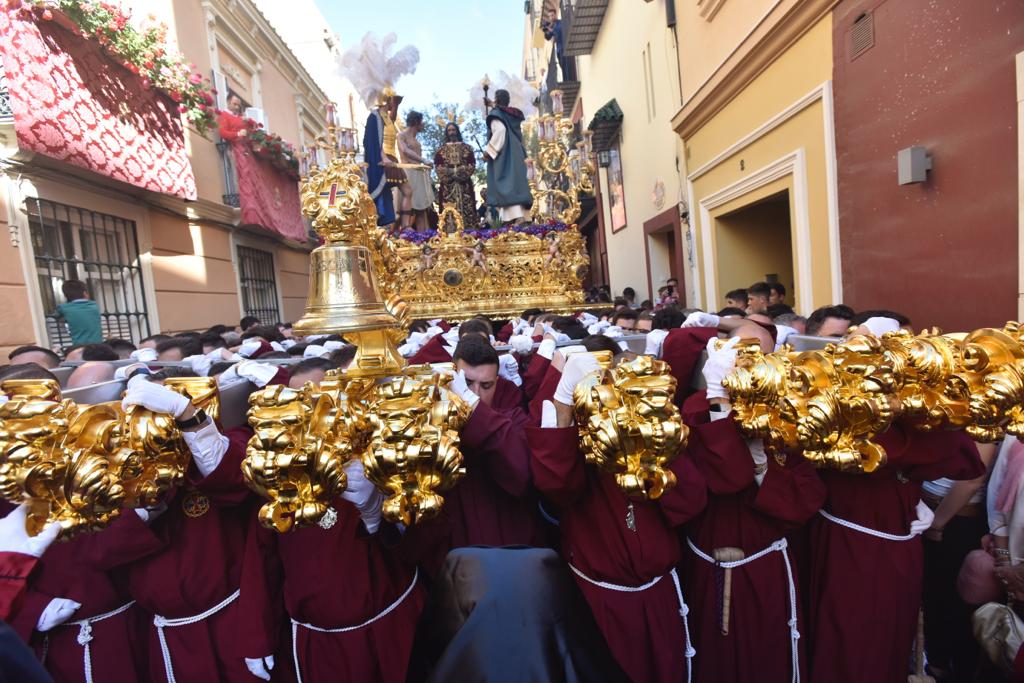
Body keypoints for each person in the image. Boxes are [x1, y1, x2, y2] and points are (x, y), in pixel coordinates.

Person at [527, 353, 708, 682]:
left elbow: (690, 503)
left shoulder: (657, 436)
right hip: (601, 599)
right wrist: (563, 402)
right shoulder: (580, 444)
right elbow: (556, 486)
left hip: (658, 593)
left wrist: (656, 444)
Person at [681, 324, 827, 683]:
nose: (742, 362)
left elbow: (807, 496)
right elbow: (717, 481)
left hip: (766, 560)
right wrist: (719, 407)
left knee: (770, 655)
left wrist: (762, 468)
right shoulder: (696, 407)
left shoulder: (792, 408)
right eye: (734, 352)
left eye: (753, 353)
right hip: (707, 555)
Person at [484, 89, 532, 225]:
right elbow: (503, 114)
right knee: (517, 182)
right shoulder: (511, 115)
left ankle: (517, 216)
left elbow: (500, 131)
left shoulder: (496, 114)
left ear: (497, 100)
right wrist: (493, 105)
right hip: (517, 151)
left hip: (505, 153)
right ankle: (522, 216)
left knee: (507, 183)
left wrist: (489, 151)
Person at [434, 121, 478, 230]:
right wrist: (452, 173)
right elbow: (438, 167)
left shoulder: (467, 148)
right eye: (449, 130)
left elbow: (471, 165)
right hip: (447, 187)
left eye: (453, 130)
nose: (451, 132)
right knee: (448, 210)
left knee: (467, 209)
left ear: (457, 131)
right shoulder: (441, 150)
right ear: (446, 132)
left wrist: (455, 173)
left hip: (464, 185)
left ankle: (469, 231)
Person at [398, 110, 435, 232]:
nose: (423, 125)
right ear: (416, 122)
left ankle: (423, 239)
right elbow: (405, 151)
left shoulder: (417, 142)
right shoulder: (401, 136)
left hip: (418, 174)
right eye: (421, 122)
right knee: (405, 210)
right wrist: (423, 160)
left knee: (421, 210)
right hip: (408, 173)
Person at [56, 280, 102, 345]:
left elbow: (56, 315)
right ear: (85, 293)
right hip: (98, 345)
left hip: (79, 346)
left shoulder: (64, 308)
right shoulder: (94, 306)